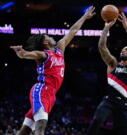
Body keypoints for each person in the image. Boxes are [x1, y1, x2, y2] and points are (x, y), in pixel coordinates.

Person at [10, 7, 95, 135]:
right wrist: (20, 52)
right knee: (40, 127)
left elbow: (72, 31)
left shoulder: (59, 49)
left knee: (25, 130)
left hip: (51, 95)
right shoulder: (43, 55)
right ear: (45, 42)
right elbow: (27, 55)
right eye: (48, 36)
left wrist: (84, 17)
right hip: (42, 90)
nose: (51, 37)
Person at [87, 12, 127, 135]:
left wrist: (126, 28)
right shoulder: (113, 64)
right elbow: (102, 47)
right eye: (123, 49)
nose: (124, 50)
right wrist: (106, 28)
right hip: (109, 101)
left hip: (125, 104)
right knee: (97, 120)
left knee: (125, 132)